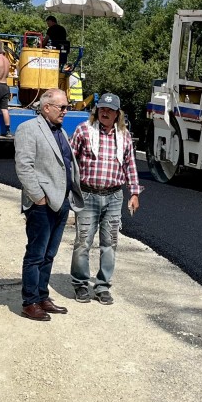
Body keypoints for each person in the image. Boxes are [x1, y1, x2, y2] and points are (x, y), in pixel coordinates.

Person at [14, 88, 84, 322]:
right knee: (35, 254)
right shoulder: (28, 129)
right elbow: (24, 166)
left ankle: (42, 296)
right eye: (62, 107)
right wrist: (39, 198)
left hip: (61, 201)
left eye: (67, 107)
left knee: (49, 254)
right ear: (46, 108)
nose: (66, 111)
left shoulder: (60, 130)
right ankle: (30, 302)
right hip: (42, 204)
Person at [69, 93, 141, 305]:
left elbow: (130, 165)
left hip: (114, 197)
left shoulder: (124, 136)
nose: (105, 112)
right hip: (88, 195)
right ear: (97, 110)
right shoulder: (84, 131)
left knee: (110, 243)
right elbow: (70, 160)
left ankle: (102, 286)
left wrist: (134, 192)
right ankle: (81, 284)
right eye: (102, 109)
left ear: (117, 113)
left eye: (109, 110)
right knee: (83, 242)